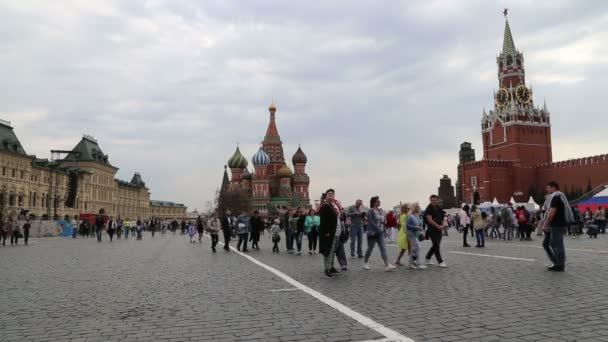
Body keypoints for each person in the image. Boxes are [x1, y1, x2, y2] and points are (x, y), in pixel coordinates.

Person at [540, 181, 574, 272]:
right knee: (548, 243)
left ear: (553, 187)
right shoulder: (557, 197)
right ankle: (556, 262)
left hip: (556, 225)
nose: (547, 190)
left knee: (557, 244)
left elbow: (551, 213)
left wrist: (545, 224)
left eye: (548, 188)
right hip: (555, 225)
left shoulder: (556, 197)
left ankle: (559, 264)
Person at [363, 196, 396, 272]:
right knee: (370, 249)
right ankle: (365, 263)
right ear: (374, 202)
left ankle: (387, 265)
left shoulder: (380, 211)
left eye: (379, 201)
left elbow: (383, 221)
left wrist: (383, 230)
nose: (379, 202)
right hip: (372, 233)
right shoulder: (370, 211)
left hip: (380, 233)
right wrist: (378, 229)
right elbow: (371, 222)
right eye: (378, 201)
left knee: (383, 248)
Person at [319, 189, 343, 278]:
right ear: (326, 196)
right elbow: (324, 221)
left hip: (336, 232)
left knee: (333, 250)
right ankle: (327, 269)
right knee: (328, 251)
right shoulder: (325, 206)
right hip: (329, 233)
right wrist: (327, 232)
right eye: (329, 194)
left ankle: (331, 267)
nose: (331, 195)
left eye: (332, 194)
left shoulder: (333, 205)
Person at [424, 195, 447, 267]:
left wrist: (443, 225)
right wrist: (438, 226)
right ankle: (440, 261)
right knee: (436, 245)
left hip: (439, 228)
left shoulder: (439, 207)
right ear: (430, 200)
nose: (434, 201)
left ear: (437, 200)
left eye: (435, 200)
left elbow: (444, 217)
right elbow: (429, 220)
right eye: (432, 200)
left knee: (435, 245)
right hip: (432, 229)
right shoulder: (428, 209)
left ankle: (427, 258)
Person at [406, 203, 427, 269]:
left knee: (414, 249)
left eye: (419, 207)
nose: (419, 208)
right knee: (418, 248)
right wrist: (416, 227)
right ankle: (418, 263)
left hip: (416, 234)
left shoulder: (417, 216)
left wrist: (420, 228)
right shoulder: (410, 216)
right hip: (411, 233)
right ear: (414, 208)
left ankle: (411, 263)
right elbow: (407, 226)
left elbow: (420, 224)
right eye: (417, 207)